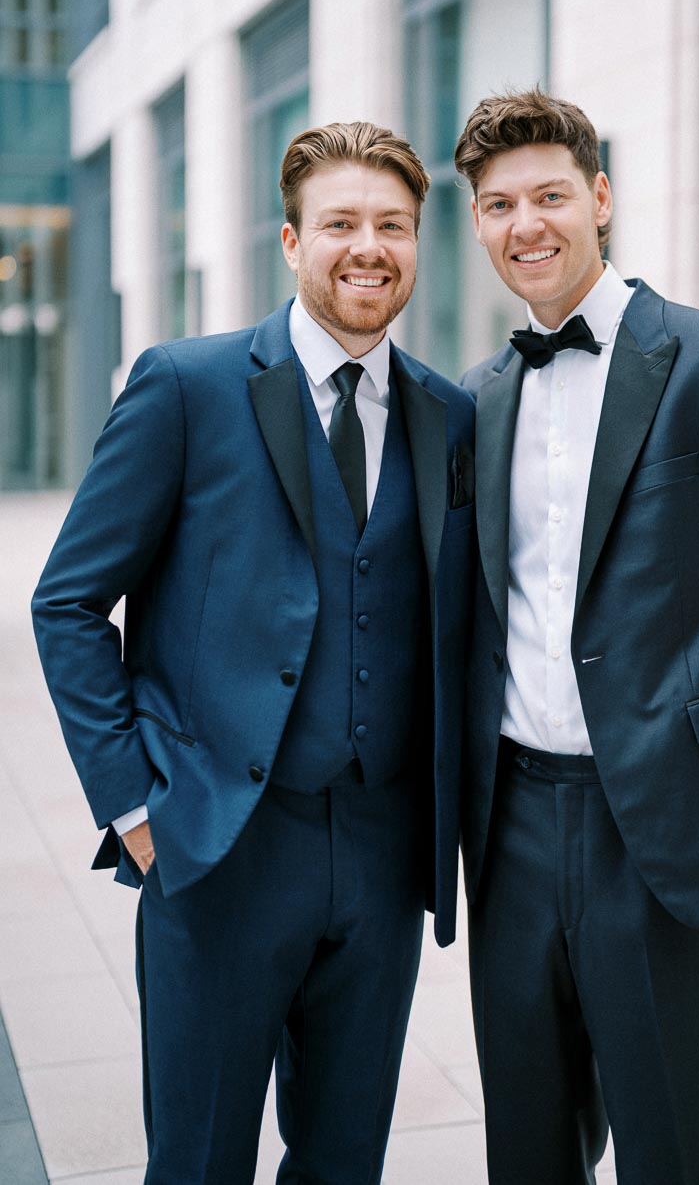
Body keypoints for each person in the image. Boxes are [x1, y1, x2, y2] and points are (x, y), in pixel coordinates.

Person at [32, 120, 475, 1184]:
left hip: (380, 853)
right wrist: (135, 810)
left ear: (418, 242)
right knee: (198, 1162)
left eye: (394, 225)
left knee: (344, 1162)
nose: (368, 246)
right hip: (218, 846)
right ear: (290, 240)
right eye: (341, 224)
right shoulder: (185, 386)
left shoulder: (450, 417)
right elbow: (68, 603)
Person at [454, 89, 699, 1185]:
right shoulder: (477, 401)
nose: (525, 225)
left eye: (548, 195)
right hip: (512, 834)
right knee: (526, 1153)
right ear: (477, 224)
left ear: (601, 197)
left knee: (675, 1153)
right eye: (497, 205)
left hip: (674, 831)